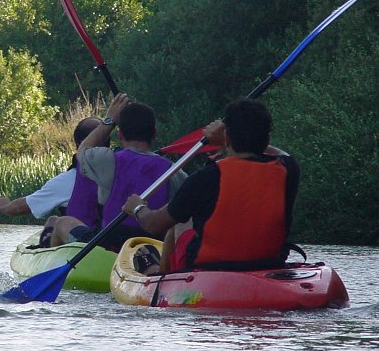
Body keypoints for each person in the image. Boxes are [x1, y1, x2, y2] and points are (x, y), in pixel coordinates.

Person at [122, 98, 300, 274]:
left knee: (181, 222)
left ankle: (159, 274)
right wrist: (230, 138)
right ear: (267, 138)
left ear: (228, 137)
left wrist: (137, 207)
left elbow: (154, 224)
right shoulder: (287, 170)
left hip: (209, 271)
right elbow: (285, 155)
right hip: (268, 266)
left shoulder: (205, 177)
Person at [48, 93, 187, 251]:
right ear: (154, 133)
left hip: (107, 246)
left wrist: (109, 120)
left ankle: (59, 267)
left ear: (120, 134)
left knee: (62, 222)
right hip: (151, 249)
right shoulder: (175, 172)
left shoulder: (107, 160)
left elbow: (83, 150)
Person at [0, 117, 107, 246]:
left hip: (86, 246)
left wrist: (4, 207)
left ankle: (46, 248)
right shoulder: (122, 173)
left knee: (57, 222)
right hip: (120, 243)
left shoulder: (67, 181)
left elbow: (21, 207)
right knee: (53, 220)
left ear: (80, 145)